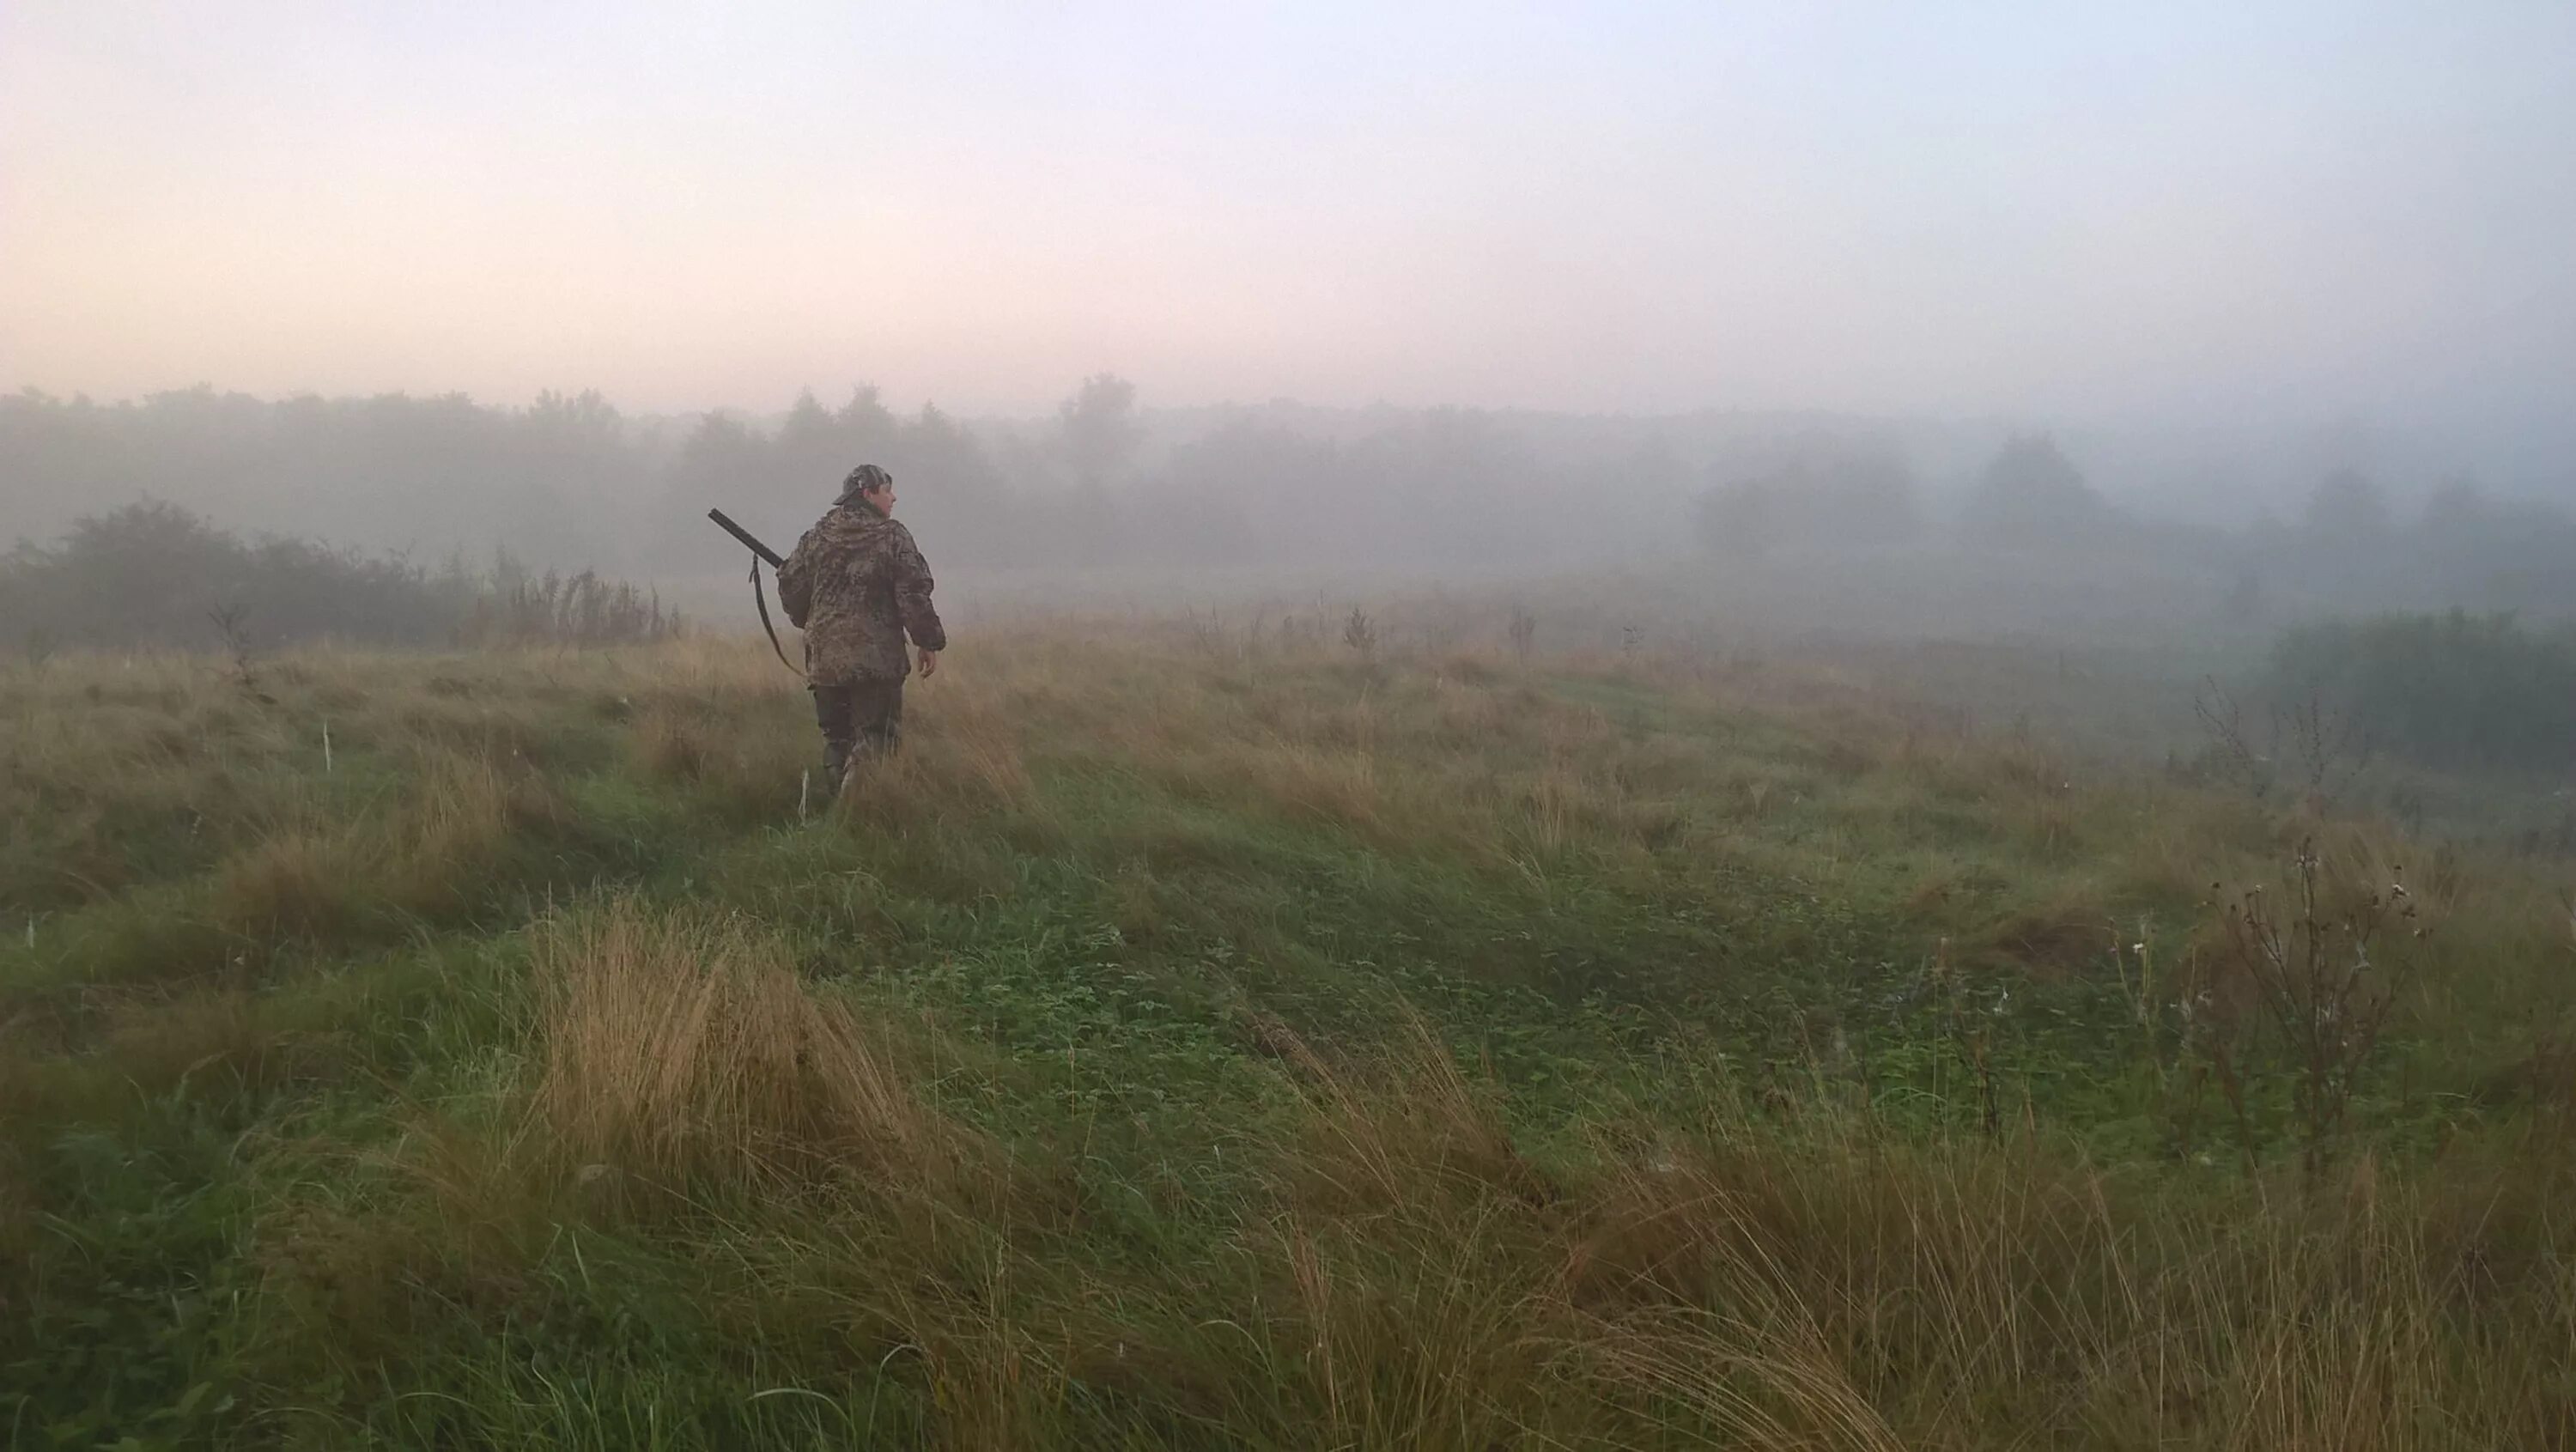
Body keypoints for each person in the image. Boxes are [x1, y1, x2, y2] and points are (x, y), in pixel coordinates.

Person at [775, 464, 946, 790]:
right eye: (887, 490)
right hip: (876, 663)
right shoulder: (892, 535)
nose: (893, 498)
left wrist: (811, 622)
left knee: (837, 740)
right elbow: (913, 592)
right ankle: (863, 810)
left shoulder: (818, 535)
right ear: (867, 494)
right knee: (877, 740)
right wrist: (928, 641)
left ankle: (837, 806)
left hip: (826, 661)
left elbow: (791, 584)